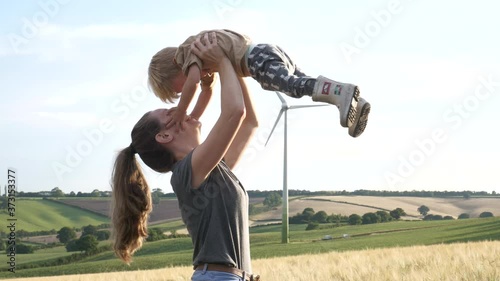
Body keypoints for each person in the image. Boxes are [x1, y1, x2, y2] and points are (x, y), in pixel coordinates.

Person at [111, 33, 260, 281]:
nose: (181, 110)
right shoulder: (186, 172)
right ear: (164, 136)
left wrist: (230, 64)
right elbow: (234, 112)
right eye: (170, 111)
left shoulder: (211, 169)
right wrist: (222, 59)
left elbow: (249, 123)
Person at [148, 29, 370, 138]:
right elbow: (206, 92)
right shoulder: (202, 60)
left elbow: (194, 84)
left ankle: (341, 92)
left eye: (180, 86)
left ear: (173, 67)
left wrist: (180, 112)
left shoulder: (187, 54)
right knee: (300, 83)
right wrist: (193, 117)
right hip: (264, 52)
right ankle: (353, 101)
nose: (185, 90)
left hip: (256, 60)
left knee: (292, 86)